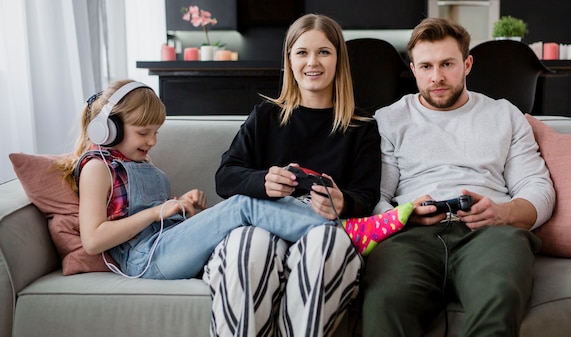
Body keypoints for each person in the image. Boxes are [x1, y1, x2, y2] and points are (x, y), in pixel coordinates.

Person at [57, 77, 396, 281]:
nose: (152, 142)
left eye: (156, 132)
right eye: (143, 133)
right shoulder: (97, 167)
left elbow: (162, 223)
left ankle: (321, 247)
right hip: (144, 261)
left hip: (165, 246)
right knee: (245, 204)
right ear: (109, 128)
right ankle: (346, 233)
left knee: (248, 232)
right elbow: (93, 240)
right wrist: (157, 212)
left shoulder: (135, 161)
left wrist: (186, 211)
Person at [361, 17, 556, 337]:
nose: (436, 77)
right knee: (385, 303)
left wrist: (503, 212)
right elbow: (374, 196)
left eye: (447, 64)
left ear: (467, 64)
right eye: (425, 67)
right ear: (413, 69)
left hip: (490, 232)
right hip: (410, 236)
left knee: (499, 298)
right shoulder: (389, 119)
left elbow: (538, 188)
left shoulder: (504, 115)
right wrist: (402, 217)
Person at [203, 13, 385, 337]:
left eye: (323, 52)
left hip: (321, 233)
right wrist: (262, 181)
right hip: (263, 226)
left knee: (328, 244)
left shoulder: (362, 127)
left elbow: (367, 196)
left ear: (338, 59)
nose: (312, 62)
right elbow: (225, 176)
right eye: (302, 52)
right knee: (246, 244)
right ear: (289, 59)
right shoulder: (265, 116)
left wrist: (343, 203)